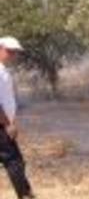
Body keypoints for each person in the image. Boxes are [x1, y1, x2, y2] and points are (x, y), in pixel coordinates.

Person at [0, 37, 34, 198]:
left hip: (5, 123)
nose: (13, 55)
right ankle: (25, 194)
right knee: (14, 162)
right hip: (1, 125)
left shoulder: (3, 70)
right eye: (10, 51)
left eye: (15, 52)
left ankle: (26, 193)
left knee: (16, 161)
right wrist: (8, 125)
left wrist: (12, 121)